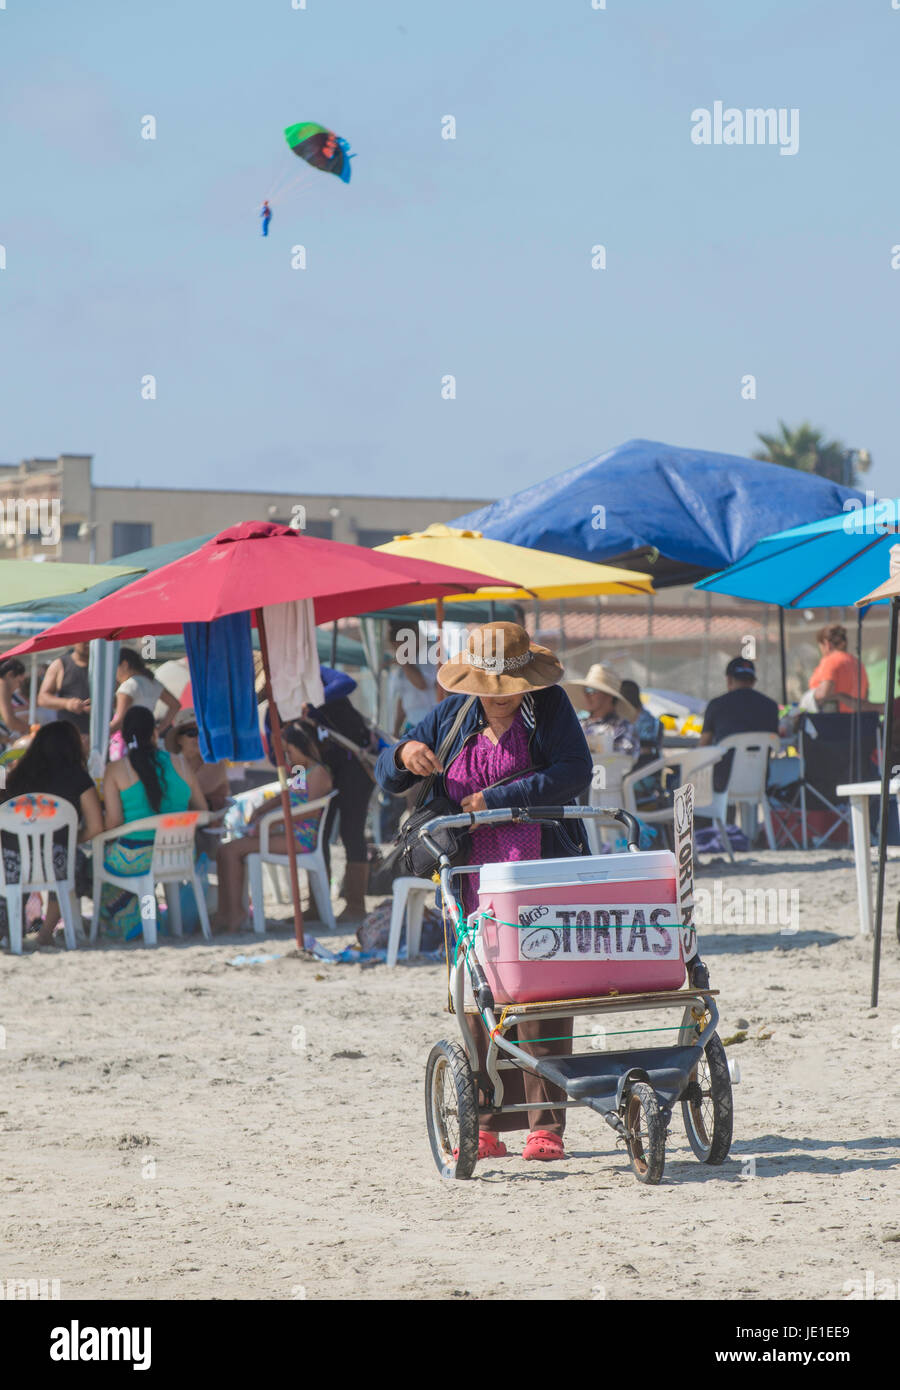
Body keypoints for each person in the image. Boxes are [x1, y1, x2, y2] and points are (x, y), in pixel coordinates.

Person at [376, 621, 592, 1163]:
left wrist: (498, 799)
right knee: (478, 993)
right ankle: (489, 1122)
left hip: (536, 867)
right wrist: (405, 754)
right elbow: (388, 770)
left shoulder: (551, 706)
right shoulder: (452, 714)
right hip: (468, 873)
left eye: (508, 690)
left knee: (543, 990)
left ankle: (546, 1126)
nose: (500, 700)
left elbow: (574, 771)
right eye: (490, 690)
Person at [100, 706, 208, 939]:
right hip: (181, 853)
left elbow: (114, 822)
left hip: (136, 858)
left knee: (95, 868)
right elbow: (202, 810)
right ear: (155, 733)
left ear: (125, 736)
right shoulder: (180, 764)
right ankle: (149, 920)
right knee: (142, 880)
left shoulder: (116, 770)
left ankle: (143, 923)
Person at [215, 723, 332, 932]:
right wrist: (261, 810)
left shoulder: (318, 773)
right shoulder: (302, 772)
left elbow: (310, 811)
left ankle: (236, 913)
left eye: (289, 751)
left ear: (301, 747)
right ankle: (226, 913)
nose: (287, 758)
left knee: (230, 851)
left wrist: (273, 822)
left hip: (300, 838)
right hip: (288, 833)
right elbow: (285, 796)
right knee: (225, 851)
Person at [0, 721, 103, 946]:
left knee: (19, 860)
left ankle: (9, 928)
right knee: (70, 861)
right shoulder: (78, 778)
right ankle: (46, 932)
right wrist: (69, 841)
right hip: (56, 862)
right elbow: (96, 827)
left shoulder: (14, 777)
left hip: (11, 863)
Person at [699, 657, 780, 746]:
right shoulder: (771, 706)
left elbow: (704, 744)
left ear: (729, 680)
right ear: (753, 681)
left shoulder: (716, 705)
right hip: (760, 760)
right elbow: (774, 739)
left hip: (726, 760)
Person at [564, 663, 639, 755]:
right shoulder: (577, 724)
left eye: (591, 690)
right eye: (585, 690)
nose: (586, 695)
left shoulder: (623, 728)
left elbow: (620, 762)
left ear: (609, 695)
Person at [165, 708, 230, 811]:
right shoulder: (173, 764)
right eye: (192, 732)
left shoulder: (215, 761)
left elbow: (187, 795)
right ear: (178, 739)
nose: (199, 737)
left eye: (202, 732)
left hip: (209, 823)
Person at [109, 649, 180, 739]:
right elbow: (175, 705)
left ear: (124, 665)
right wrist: (158, 729)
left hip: (129, 740)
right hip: (148, 737)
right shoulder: (153, 683)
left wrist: (98, 734)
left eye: (114, 668)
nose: (113, 674)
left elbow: (119, 722)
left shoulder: (128, 686)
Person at [387, 623, 440, 737]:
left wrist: (404, 662)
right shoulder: (404, 663)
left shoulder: (429, 652)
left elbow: (422, 684)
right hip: (412, 723)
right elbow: (403, 697)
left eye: (400, 646)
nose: (398, 650)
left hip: (431, 722)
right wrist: (396, 730)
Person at [807, 623, 869, 715]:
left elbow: (824, 693)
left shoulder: (830, 661)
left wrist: (806, 699)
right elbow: (866, 693)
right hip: (857, 720)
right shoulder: (858, 663)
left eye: (820, 646)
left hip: (834, 721)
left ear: (827, 644)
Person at [38, 642, 91, 739]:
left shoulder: (105, 666)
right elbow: (43, 698)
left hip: (101, 735)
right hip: (68, 737)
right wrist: (67, 703)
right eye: (85, 639)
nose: (89, 643)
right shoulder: (59, 665)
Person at [0, 658, 30, 741]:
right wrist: (33, 729)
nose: (18, 687)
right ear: (10, 675)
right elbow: (11, 721)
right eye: (19, 682)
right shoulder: (3, 684)